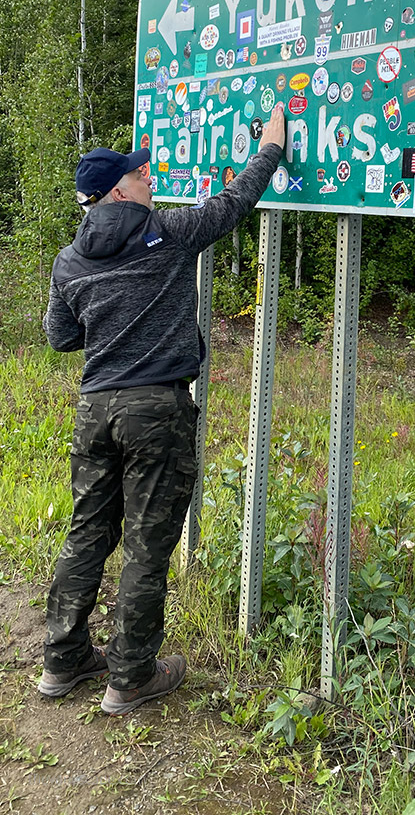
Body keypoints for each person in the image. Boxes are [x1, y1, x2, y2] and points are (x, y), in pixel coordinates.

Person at [38, 106, 285, 715]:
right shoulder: (166, 234)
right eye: (140, 175)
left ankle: (61, 662)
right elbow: (235, 202)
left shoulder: (69, 261)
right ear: (118, 192)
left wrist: (107, 317)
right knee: (148, 544)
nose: (149, 177)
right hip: (156, 410)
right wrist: (272, 146)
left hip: (94, 410)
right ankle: (130, 678)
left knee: (87, 532)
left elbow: (61, 338)